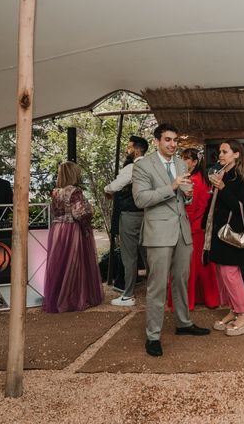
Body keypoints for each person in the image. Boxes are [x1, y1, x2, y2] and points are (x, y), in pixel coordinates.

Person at [132, 123, 210, 358]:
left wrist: (186, 195)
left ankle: (183, 323)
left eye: (175, 140)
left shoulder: (179, 163)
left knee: (181, 280)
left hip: (182, 231)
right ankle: (153, 335)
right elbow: (140, 199)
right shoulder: (143, 165)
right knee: (157, 285)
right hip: (158, 233)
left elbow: (183, 198)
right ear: (157, 141)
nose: (172, 144)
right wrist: (172, 186)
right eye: (167, 139)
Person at [203, 139, 244, 336]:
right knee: (221, 274)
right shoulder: (222, 173)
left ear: (236, 154)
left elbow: (240, 207)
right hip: (218, 232)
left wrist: (223, 187)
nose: (220, 155)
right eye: (219, 152)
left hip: (231, 233)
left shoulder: (242, 177)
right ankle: (234, 309)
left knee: (230, 274)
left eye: (225, 151)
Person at [43, 161, 103, 313]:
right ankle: (74, 298)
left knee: (60, 264)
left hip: (57, 230)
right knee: (74, 265)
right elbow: (80, 213)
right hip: (71, 230)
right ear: (73, 174)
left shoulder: (56, 191)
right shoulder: (75, 191)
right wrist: (90, 209)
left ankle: (58, 297)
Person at [104, 136, 149, 307]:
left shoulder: (133, 167)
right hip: (148, 215)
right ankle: (157, 291)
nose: (126, 150)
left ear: (137, 150)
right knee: (148, 255)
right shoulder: (153, 165)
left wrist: (106, 189)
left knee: (129, 257)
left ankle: (128, 294)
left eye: (129, 147)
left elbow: (114, 187)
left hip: (130, 215)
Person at [179, 148, 219, 310]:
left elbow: (191, 208)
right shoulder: (202, 178)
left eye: (186, 159)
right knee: (202, 266)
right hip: (200, 228)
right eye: (182, 158)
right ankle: (208, 298)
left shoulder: (193, 180)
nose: (182, 161)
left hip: (191, 227)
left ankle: (188, 301)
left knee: (189, 267)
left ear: (195, 162)